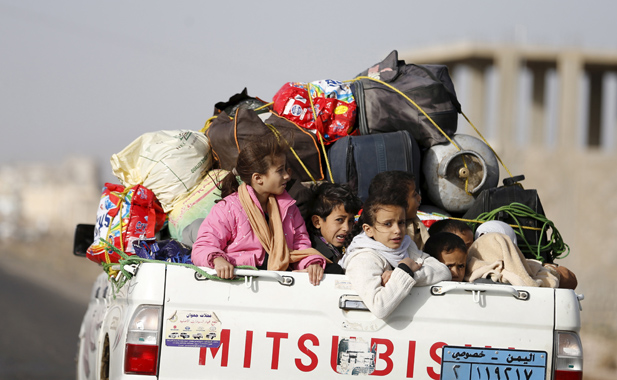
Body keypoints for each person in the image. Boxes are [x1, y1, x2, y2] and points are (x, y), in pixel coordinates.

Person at [191, 134, 328, 285]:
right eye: (280, 171)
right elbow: (203, 246)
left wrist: (311, 264)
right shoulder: (228, 208)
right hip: (240, 281)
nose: (287, 176)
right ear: (258, 178)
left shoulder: (290, 208)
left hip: (280, 281)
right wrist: (217, 260)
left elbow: (301, 246)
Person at [339, 193, 451, 319]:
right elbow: (379, 306)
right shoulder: (362, 259)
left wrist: (405, 274)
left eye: (401, 222)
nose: (397, 230)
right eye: (388, 224)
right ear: (368, 230)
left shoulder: (406, 246)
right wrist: (405, 271)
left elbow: (443, 271)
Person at [305, 182, 362, 274]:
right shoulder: (314, 258)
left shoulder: (351, 245)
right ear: (317, 222)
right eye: (339, 220)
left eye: (350, 221)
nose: (346, 228)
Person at [367, 171, 428, 250]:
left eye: (401, 223)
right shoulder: (371, 250)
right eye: (414, 195)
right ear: (399, 201)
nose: (419, 198)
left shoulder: (416, 226)